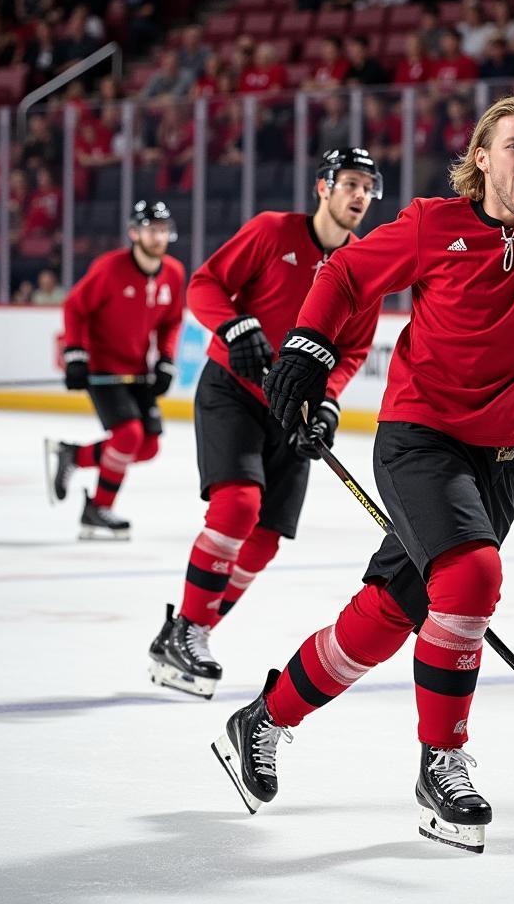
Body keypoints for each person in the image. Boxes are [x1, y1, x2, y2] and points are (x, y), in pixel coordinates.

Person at [210, 14, 514, 853]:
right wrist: (307, 349)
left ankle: (262, 718)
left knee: (391, 611)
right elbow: (346, 271)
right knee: (473, 574)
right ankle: (440, 762)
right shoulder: (432, 223)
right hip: (420, 441)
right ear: (482, 161)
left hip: (501, 463)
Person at [147, 148, 384, 700]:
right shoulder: (272, 232)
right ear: (322, 188)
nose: (360, 196)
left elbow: (351, 351)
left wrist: (327, 403)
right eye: (349, 183)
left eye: (368, 187)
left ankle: (188, 632)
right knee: (237, 506)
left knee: (267, 537)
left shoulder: (363, 265)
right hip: (233, 389)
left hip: (293, 408)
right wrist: (234, 326)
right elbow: (204, 285)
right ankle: (189, 631)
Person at [45, 202, 183, 540]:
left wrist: (165, 359)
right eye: (152, 229)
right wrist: (75, 353)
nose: (158, 237)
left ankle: (73, 455)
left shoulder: (175, 273)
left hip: (137, 371)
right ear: (134, 233)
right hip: (102, 369)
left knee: (148, 447)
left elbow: (171, 322)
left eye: (163, 230)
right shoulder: (109, 268)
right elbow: (75, 308)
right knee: (128, 436)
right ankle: (98, 509)